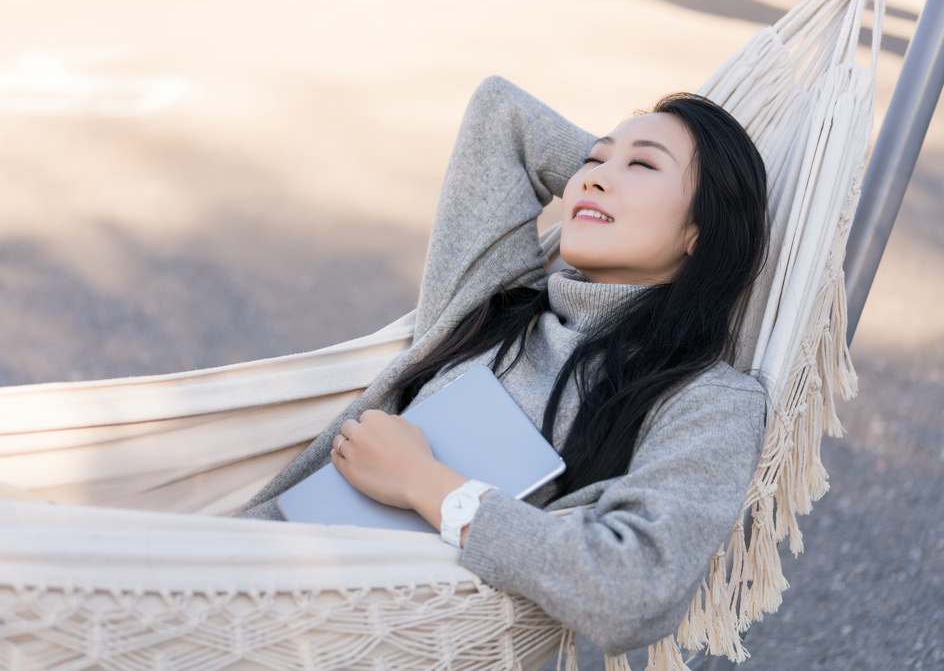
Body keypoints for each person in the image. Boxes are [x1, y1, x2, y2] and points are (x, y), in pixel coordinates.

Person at [237, 75, 769, 656]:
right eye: (591, 160)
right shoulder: (491, 302)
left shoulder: (707, 398)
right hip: (226, 572)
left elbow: (637, 588)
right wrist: (612, 188)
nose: (590, 177)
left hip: (353, 636)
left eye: (642, 167)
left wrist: (427, 484)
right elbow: (503, 114)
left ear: (701, 229)